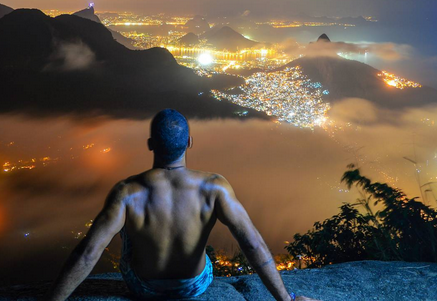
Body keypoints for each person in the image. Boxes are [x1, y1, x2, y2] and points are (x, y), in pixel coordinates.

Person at [46, 109, 320, 301]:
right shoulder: (215, 186)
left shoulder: (126, 191)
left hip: (143, 288)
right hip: (194, 285)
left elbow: (88, 252)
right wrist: (287, 298)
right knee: (206, 251)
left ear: (150, 144)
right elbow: (252, 243)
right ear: (189, 143)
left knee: (125, 232)